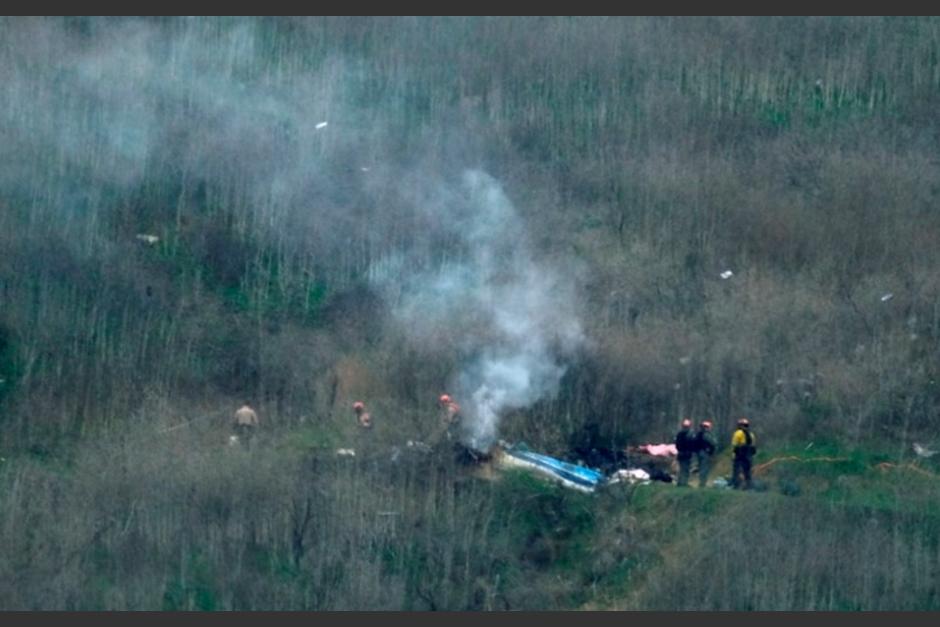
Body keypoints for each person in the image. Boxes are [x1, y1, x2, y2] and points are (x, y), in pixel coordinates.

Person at [730, 418, 757, 489]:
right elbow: (753, 446)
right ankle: (749, 486)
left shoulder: (738, 433)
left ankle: (736, 486)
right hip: (748, 455)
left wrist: (733, 454)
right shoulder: (751, 434)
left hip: (739, 455)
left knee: (737, 471)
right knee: (747, 472)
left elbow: (734, 444)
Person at [694, 420, 717, 487]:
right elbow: (713, 443)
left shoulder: (698, 434)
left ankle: (701, 482)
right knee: (704, 468)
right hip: (705, 453)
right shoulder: (706, 435)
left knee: (701, 467)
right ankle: (702, 483)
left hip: (698, 453)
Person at [675, 418, 695, 487]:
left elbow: (677, 445)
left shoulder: (679, 434)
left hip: (680, 454)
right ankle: (684, 483)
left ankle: (680, 482)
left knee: (681, 469)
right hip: (687, 454)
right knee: (685, 469)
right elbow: (692, 445)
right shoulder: (690, 435)